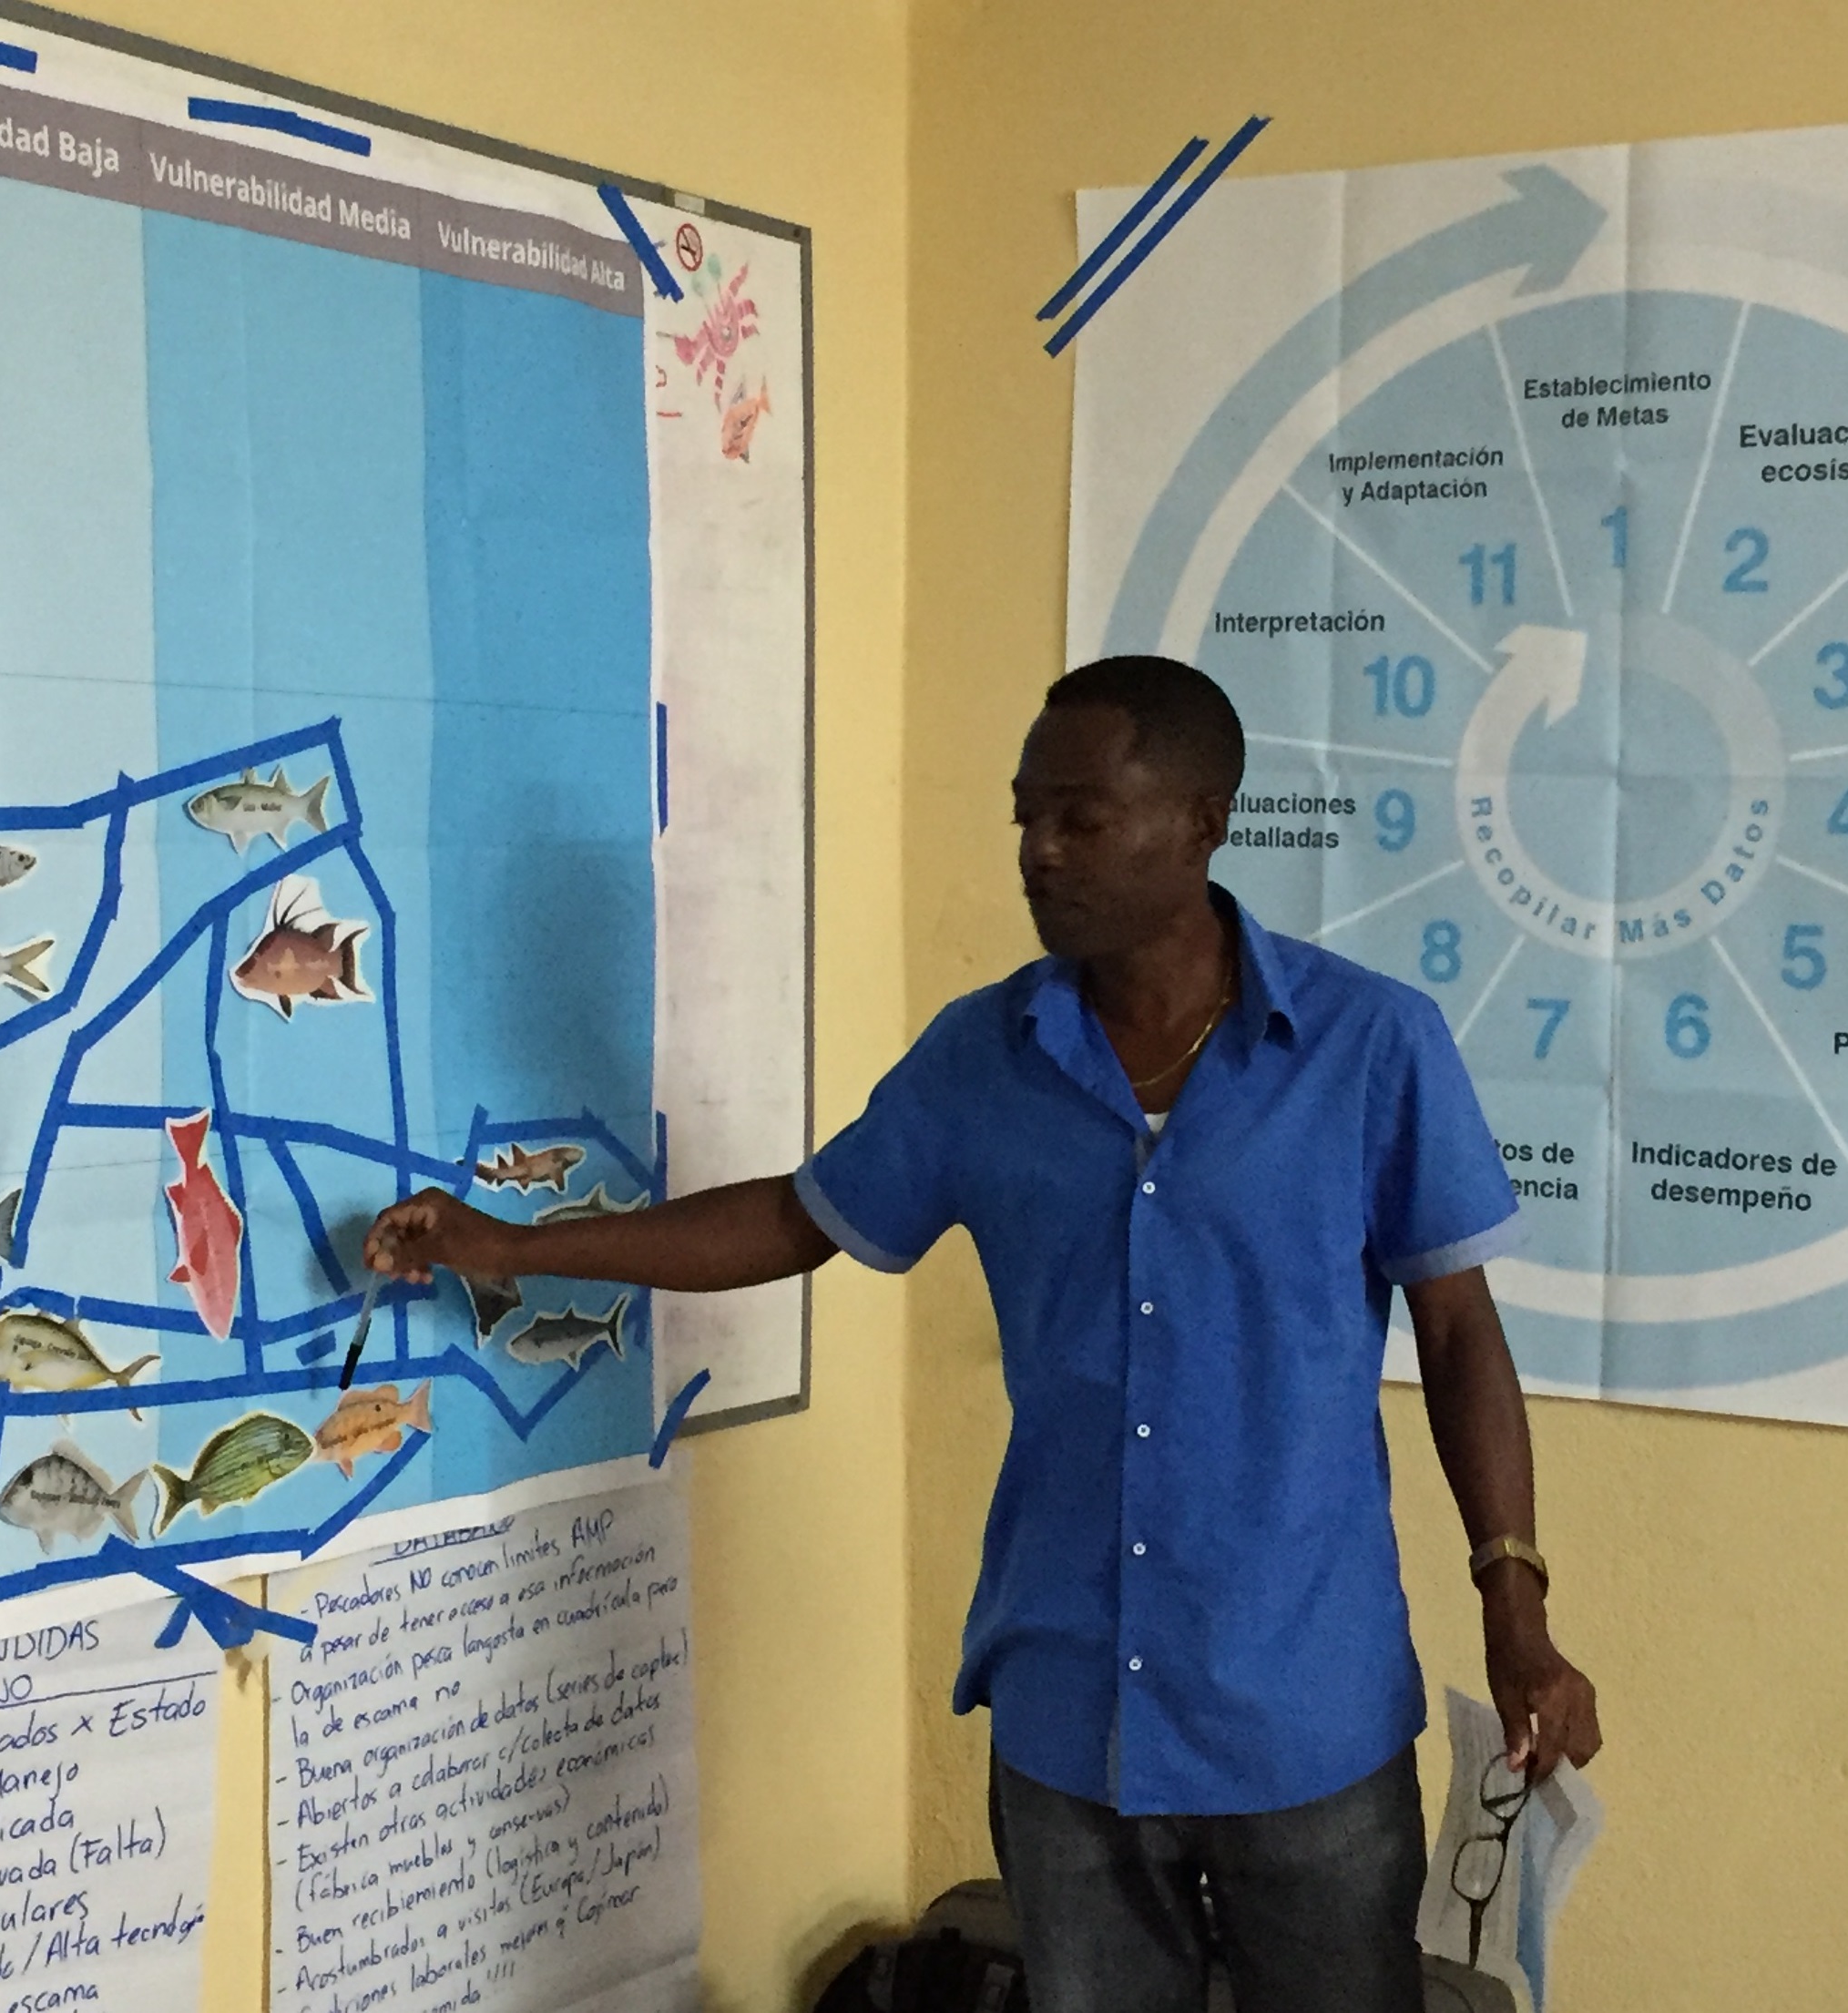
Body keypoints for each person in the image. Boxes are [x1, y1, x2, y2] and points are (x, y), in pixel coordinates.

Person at [365, 654, 1600, 2013]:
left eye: (1079, 816)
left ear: (1202, 820)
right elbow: (797, 1218)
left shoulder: (1371, 1046)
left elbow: (1461, 1330)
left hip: (1302, 1710)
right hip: (1067, 1712)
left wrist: (1516, 1605)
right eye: (1025, 814)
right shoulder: (983, 1056)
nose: (1038, 851)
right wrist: (517, 1247)